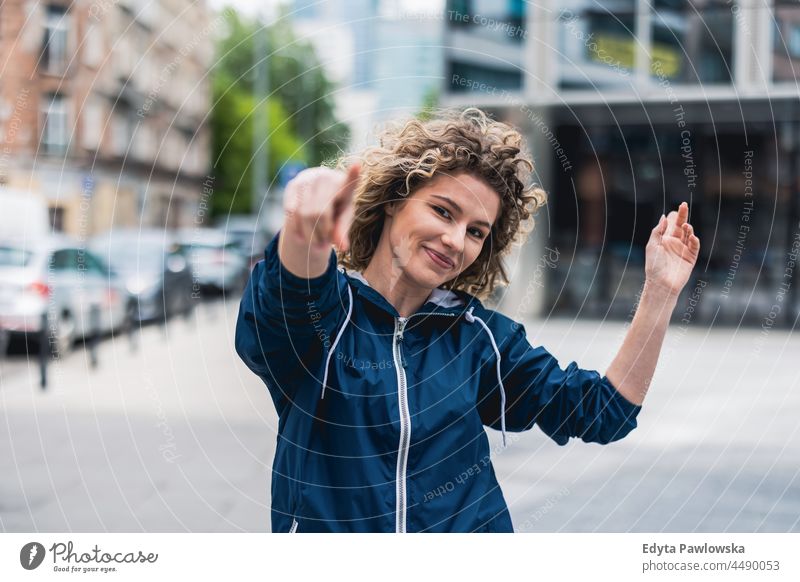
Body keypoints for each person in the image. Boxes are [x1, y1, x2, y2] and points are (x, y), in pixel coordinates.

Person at [235, 108, 701, 533]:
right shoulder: (330, 320)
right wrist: (306, 231)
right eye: (442, 211)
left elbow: (604, 412)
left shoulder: (478, 338)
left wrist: (659, 293)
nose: (456, 240)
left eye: (476, 231)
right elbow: (289, 301)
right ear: (395, 200)